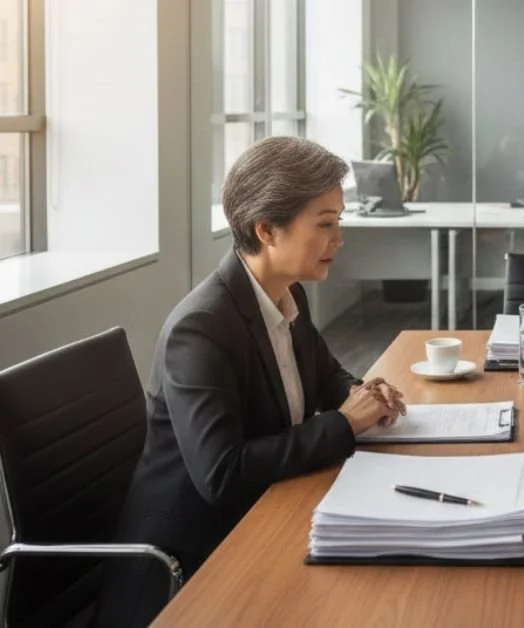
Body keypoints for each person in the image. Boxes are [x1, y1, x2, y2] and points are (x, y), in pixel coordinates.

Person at [94, 137, 407, 627]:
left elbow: (326, 374)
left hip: (257, 517)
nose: (339, 239)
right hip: (189, 566)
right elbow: (222, 474)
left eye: (338, 221)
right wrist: (345, 425)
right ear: (267, 230)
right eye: (325, 224)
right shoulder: (200, 330)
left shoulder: (285, 293)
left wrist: (360, 392)